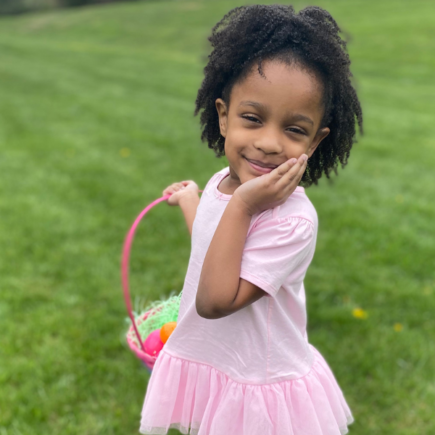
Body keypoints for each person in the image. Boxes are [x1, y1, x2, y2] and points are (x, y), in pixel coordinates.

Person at [140, 4, 363, 435]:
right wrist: (193, 202)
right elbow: (214, 248)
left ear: (315, 143)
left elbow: (215, 301)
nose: (268, 143)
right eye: (252, 119)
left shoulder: (291, 222)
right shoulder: (222, 181)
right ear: (224, 116)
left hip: (257, 383)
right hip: (216, 362)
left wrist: (243, 206)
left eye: (294, 130)